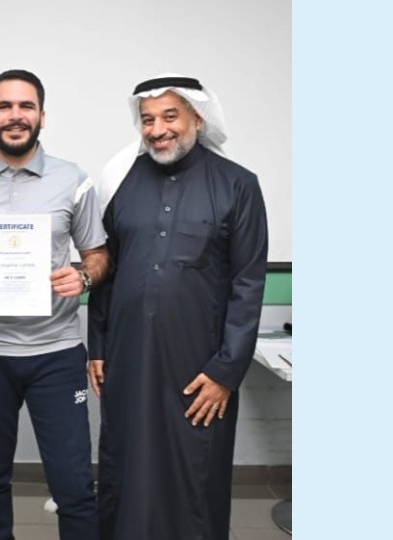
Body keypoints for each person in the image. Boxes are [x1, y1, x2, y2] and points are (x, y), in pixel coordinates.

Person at [87, 74, 269, 540]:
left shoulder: (238, 185)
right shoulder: (122, 182)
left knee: (193, 475)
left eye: (170, 116)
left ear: (197, 118)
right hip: (127, 359)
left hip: (199, 368)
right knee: (125, 466)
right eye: (147, 120)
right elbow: (107, 268)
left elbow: (248, 282)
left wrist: (226, 371)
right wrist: (98, 346)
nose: (157, 130)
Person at [0, 69, 107, 540]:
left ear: (42, 116)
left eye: (26, 106)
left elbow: (98, 254)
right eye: (5, 106)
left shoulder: (73, 180)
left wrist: (84, 275)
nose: (15, 115)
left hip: (57, 352)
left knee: (73, 486)